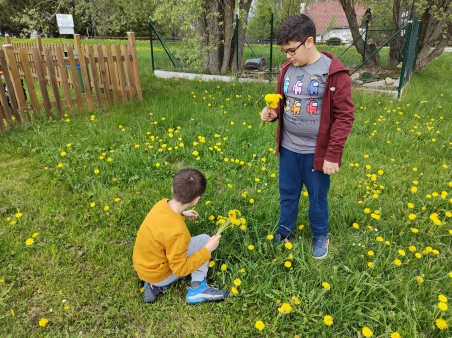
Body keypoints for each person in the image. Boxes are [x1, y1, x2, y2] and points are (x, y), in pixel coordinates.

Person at [260, 14, 355, 259]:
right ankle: (284, 230)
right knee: (288, 192)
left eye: (291, 50)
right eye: (284, 52)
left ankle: (321, 234)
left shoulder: (335, 74)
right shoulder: (287, 70)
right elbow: (286, 102)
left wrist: (333, 155)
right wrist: (273, 114)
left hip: (318, 153)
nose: (288, 56)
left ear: (309, 42)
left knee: (317, 198)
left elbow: (345, 117)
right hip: (289, 149)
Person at [132, 168, 229, 304]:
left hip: (143, 266)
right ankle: (197, 289)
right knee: (204, 241)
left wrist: (182, 213)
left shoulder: (161, 204)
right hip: (159, 274)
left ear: (172, 188)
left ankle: (153, 285)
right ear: (196, 200)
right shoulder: (178, 232)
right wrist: (207, 250)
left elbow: (163, 223)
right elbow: (180, 269)